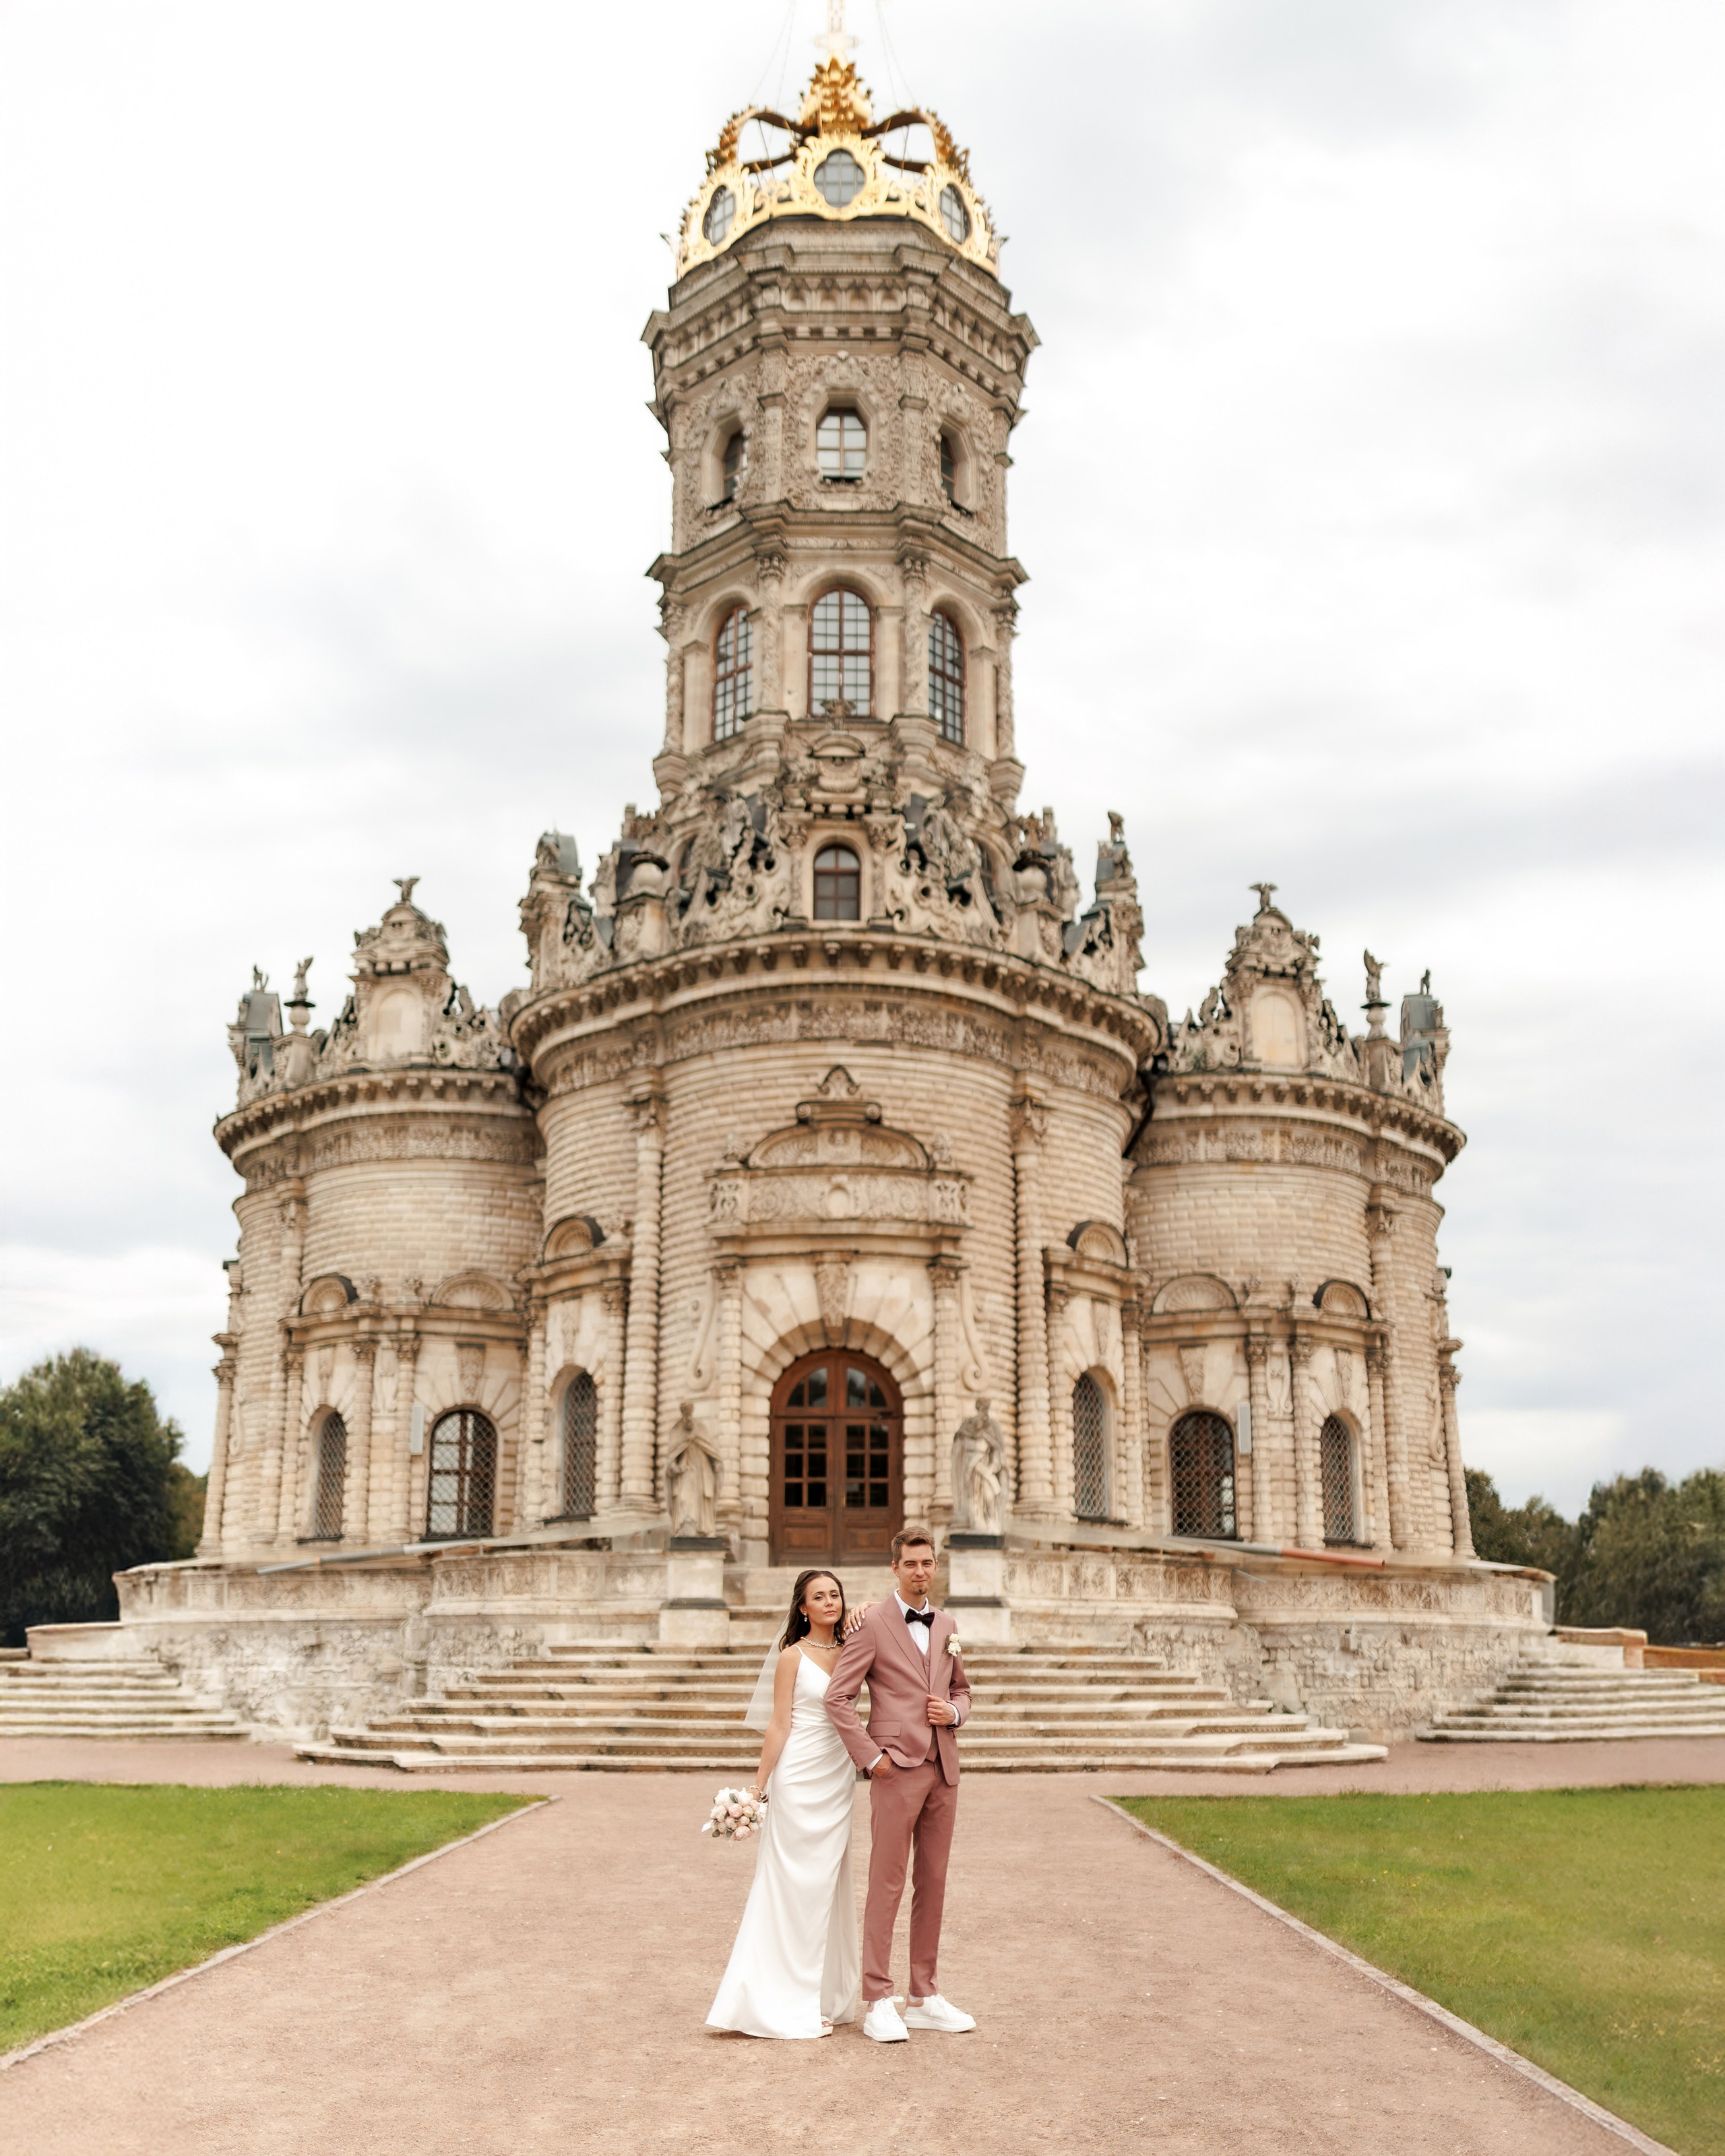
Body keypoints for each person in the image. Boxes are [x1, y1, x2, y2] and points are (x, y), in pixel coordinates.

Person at [825, 1526, 976, 2043]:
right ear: (895, 1568)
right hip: (895, 1768)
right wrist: (871, 1758)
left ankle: (924, 1995)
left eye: (927, 1563)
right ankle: (877, 1999)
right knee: (887, 1884)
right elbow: (837, 1698)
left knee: (932, 1882)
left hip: (944, 1768)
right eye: (911, 1563)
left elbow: (963, 1689)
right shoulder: (870, 1624)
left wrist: (955, 1712)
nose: (920, 1571)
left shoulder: (948, 1623)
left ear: (936, 1567)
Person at [705, 1571, 863, 2038]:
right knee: (792, 1887)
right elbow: (779, 1724)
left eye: (835, 1594)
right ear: (803, 1608)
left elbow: (883, 1616)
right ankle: (782, 1999)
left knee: (827, 1887)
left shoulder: (855, 1648)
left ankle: (822, 1994)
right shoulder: (792, 1657)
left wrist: (865, 1606)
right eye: (819, 1596)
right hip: (798, 1777)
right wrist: (758, 1789)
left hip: (837, 1780)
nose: (829, 1602)